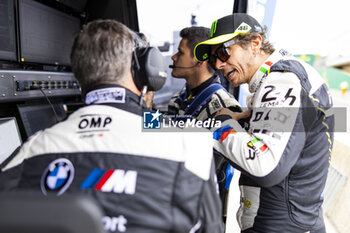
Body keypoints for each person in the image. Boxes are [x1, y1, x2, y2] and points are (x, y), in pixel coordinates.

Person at [0, 19, 224, 233]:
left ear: (79, 73)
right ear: (143, 70)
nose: (174, 57)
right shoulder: (191, 148)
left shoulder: (31, 150)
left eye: (180, 53)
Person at [194, 13, 335, 233]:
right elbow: (309, 122)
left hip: (280, 225)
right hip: (297, 218)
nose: (219, 65)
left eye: (223, 53)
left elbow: (264, 163)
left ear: (255, 43)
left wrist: (219, 127)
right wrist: (248, 116)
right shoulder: (292, 73)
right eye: (213, 59)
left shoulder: (281, 81)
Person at [168, 26, 242, 218]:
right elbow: (155, 129)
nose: (173, 58)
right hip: (174, 205)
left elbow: (211, 169)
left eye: (180, 52)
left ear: (199, 59)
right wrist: (143, 107)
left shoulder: (227, 107)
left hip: (203, 211)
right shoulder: (178, 98)